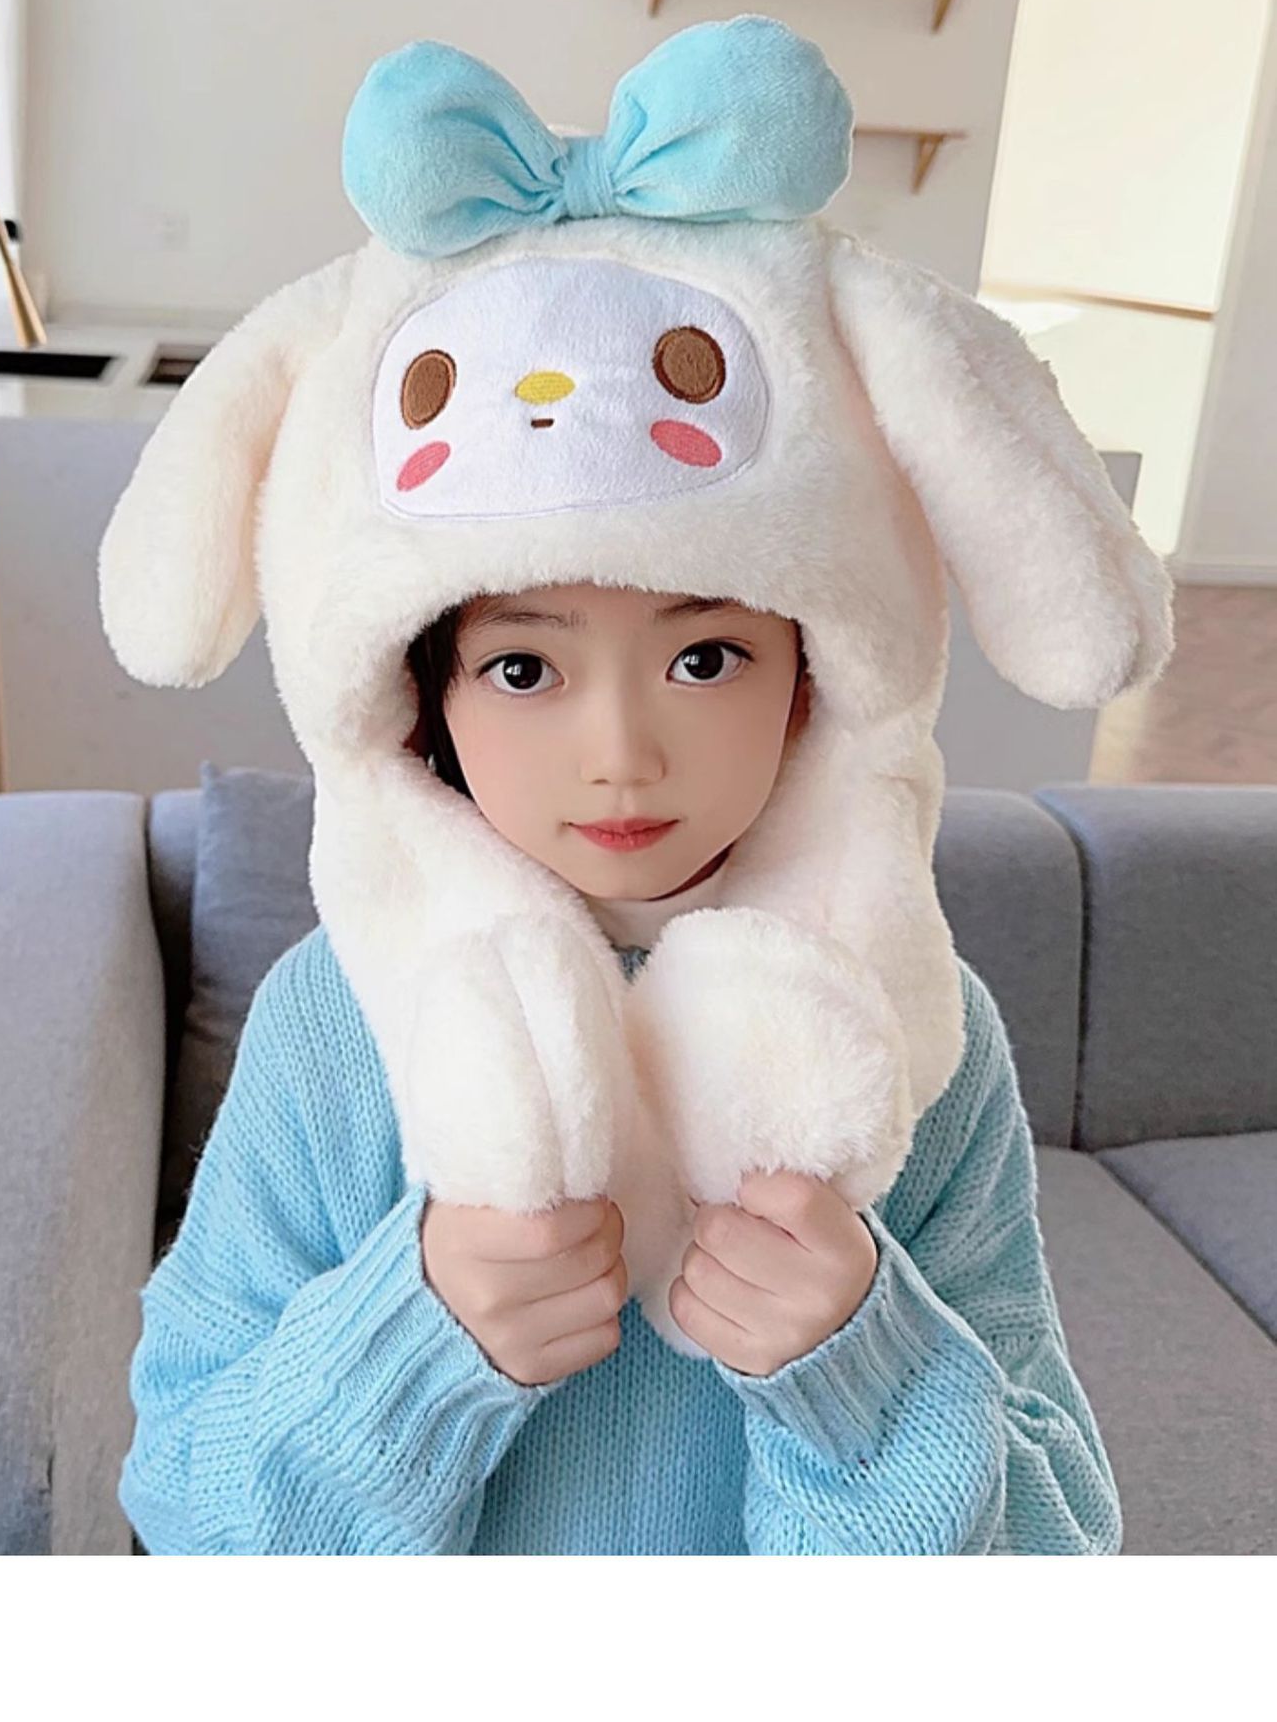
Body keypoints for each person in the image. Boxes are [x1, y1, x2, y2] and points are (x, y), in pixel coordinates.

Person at [117, 578, 1124, 1557]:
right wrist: (413, 1347)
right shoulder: (336, 1013)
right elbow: (184, 1500)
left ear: (813, 676)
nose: (622, 757)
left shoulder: (903, 1020)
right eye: (523, 668)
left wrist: (864, 1373)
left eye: (706, 659)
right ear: (423, 698)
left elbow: (1062, 1541)